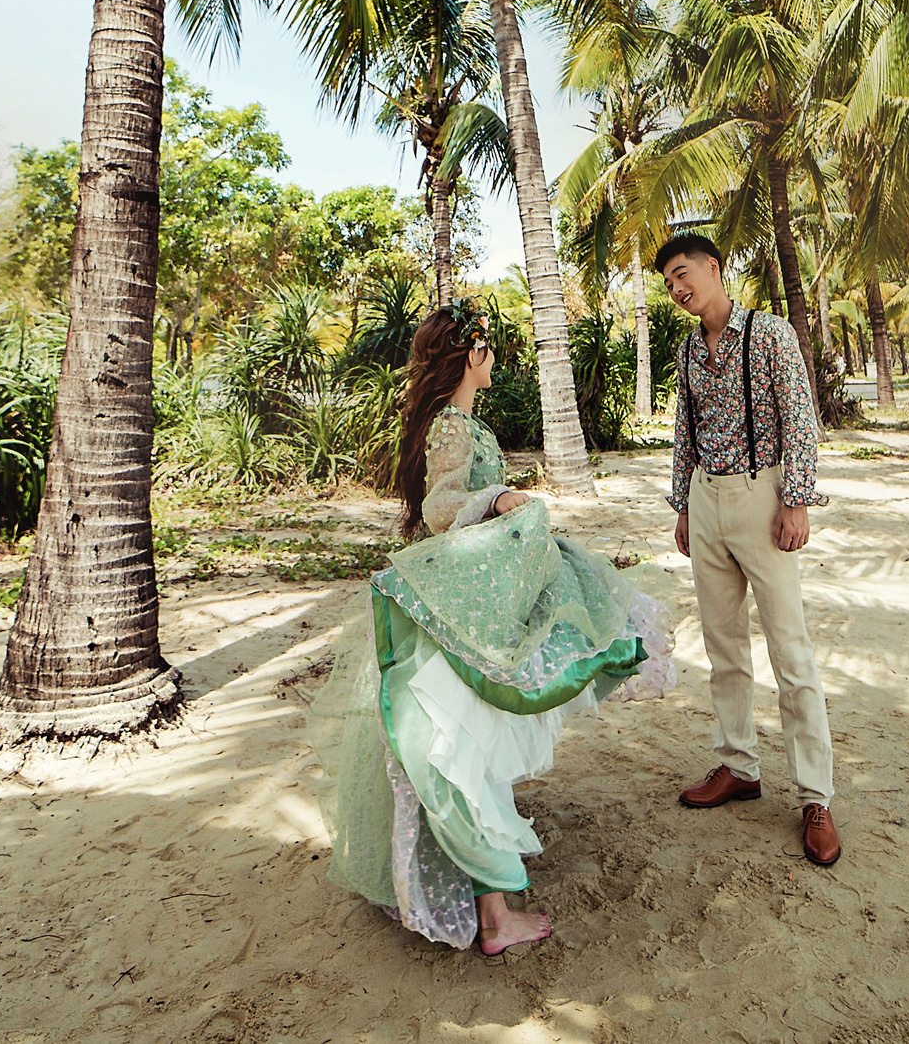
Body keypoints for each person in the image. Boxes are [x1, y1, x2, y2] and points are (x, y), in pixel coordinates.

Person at [320, 303, 673, 955]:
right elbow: (438, 507)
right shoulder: (452, 425)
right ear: (470, 356)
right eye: (488, 348)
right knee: (465, 746)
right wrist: (499, 499)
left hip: (474, 595)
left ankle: (489, 900)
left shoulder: (462, 421)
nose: (495, 358)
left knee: (471, 742)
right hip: (460, 602)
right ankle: (493, 916)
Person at [656, 231, 840, 867]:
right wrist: (683, 505)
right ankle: (738, 765)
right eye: (669, 283)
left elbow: (800, 419)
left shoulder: (770, 334)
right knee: (722, 644)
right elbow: (686, 430)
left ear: (713, 267)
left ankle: (816, 796)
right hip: (706, 501)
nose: (678, 290)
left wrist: (796, 500)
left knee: (790, 649)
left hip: (764, 499)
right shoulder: (685, 350)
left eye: (684, 274)